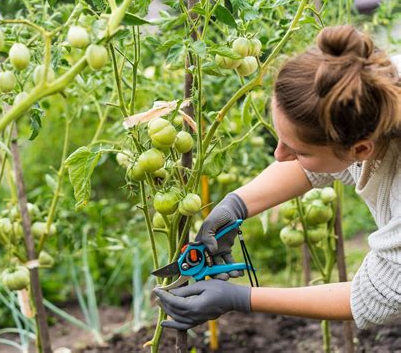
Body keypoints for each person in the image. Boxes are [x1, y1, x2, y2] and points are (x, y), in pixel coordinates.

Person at [154, 25, 401, 331]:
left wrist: (240, 299)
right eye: (280, 139)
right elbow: (315, 163)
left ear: (361, 148)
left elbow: (382, 295)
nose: (279, 155)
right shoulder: (367, 88)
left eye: (297, 149)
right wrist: (236, 206)